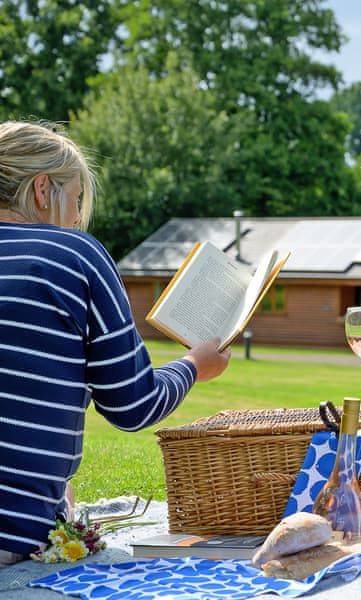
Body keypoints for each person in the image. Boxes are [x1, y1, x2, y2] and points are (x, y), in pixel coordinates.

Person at [0, 121, 231, 566]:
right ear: (43, 189)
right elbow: (133, 406)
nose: (75, 216)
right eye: (77, 198)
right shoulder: (74, 254)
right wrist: (194, 366)